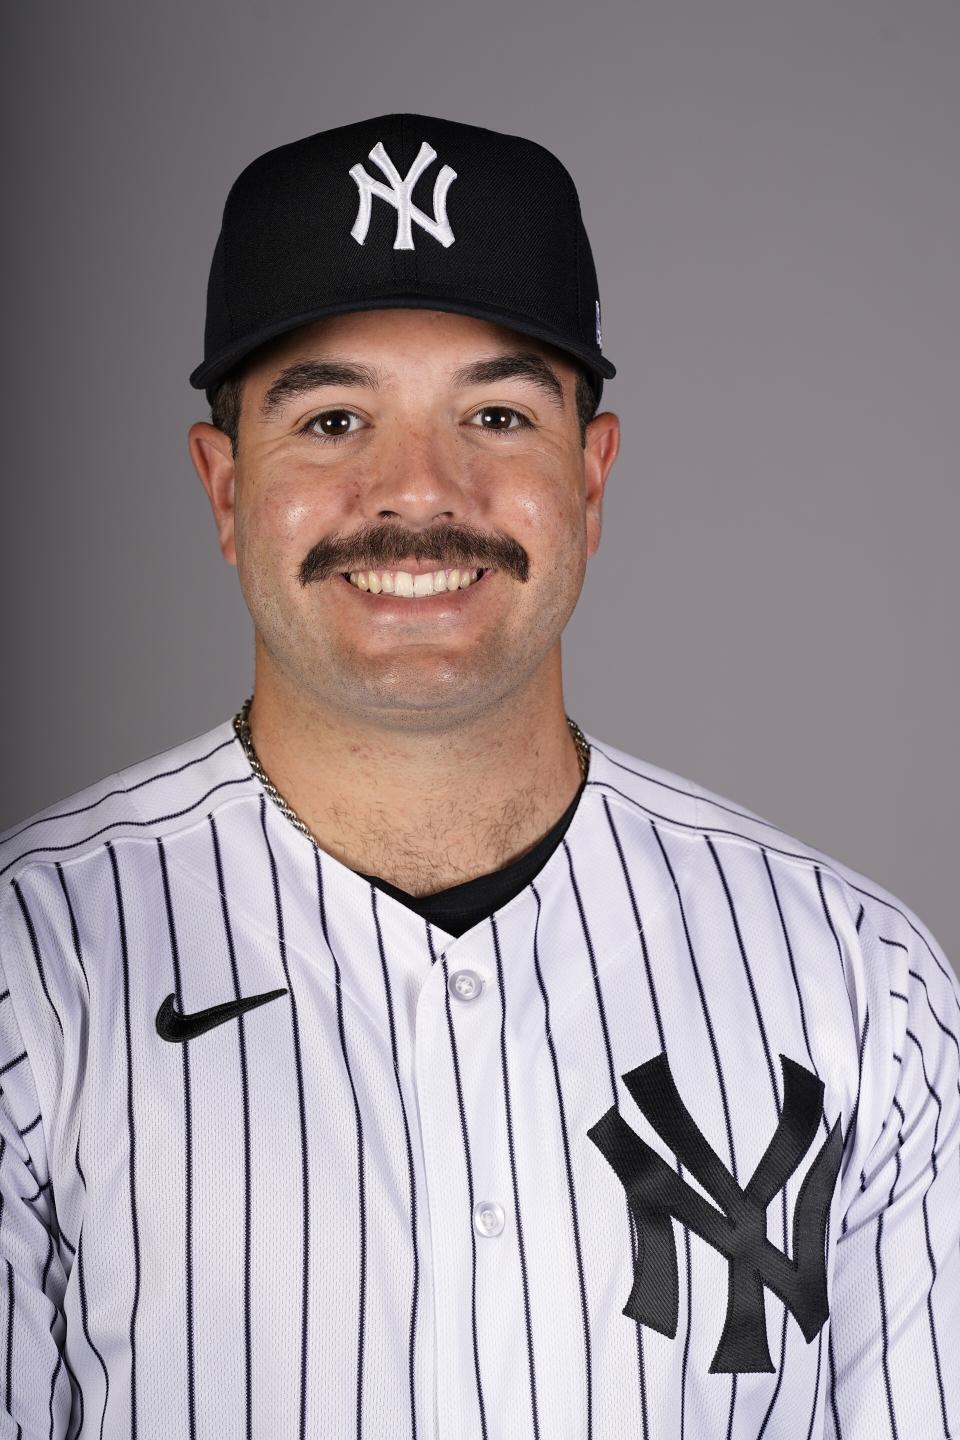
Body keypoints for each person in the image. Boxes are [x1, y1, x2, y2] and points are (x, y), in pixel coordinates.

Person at [0, 112, 957, 1440]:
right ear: (225, 490)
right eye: (333, 418)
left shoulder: (862, 988)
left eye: (496, 413)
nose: (418, 492)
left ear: (591, 474)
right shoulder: (32, 970)